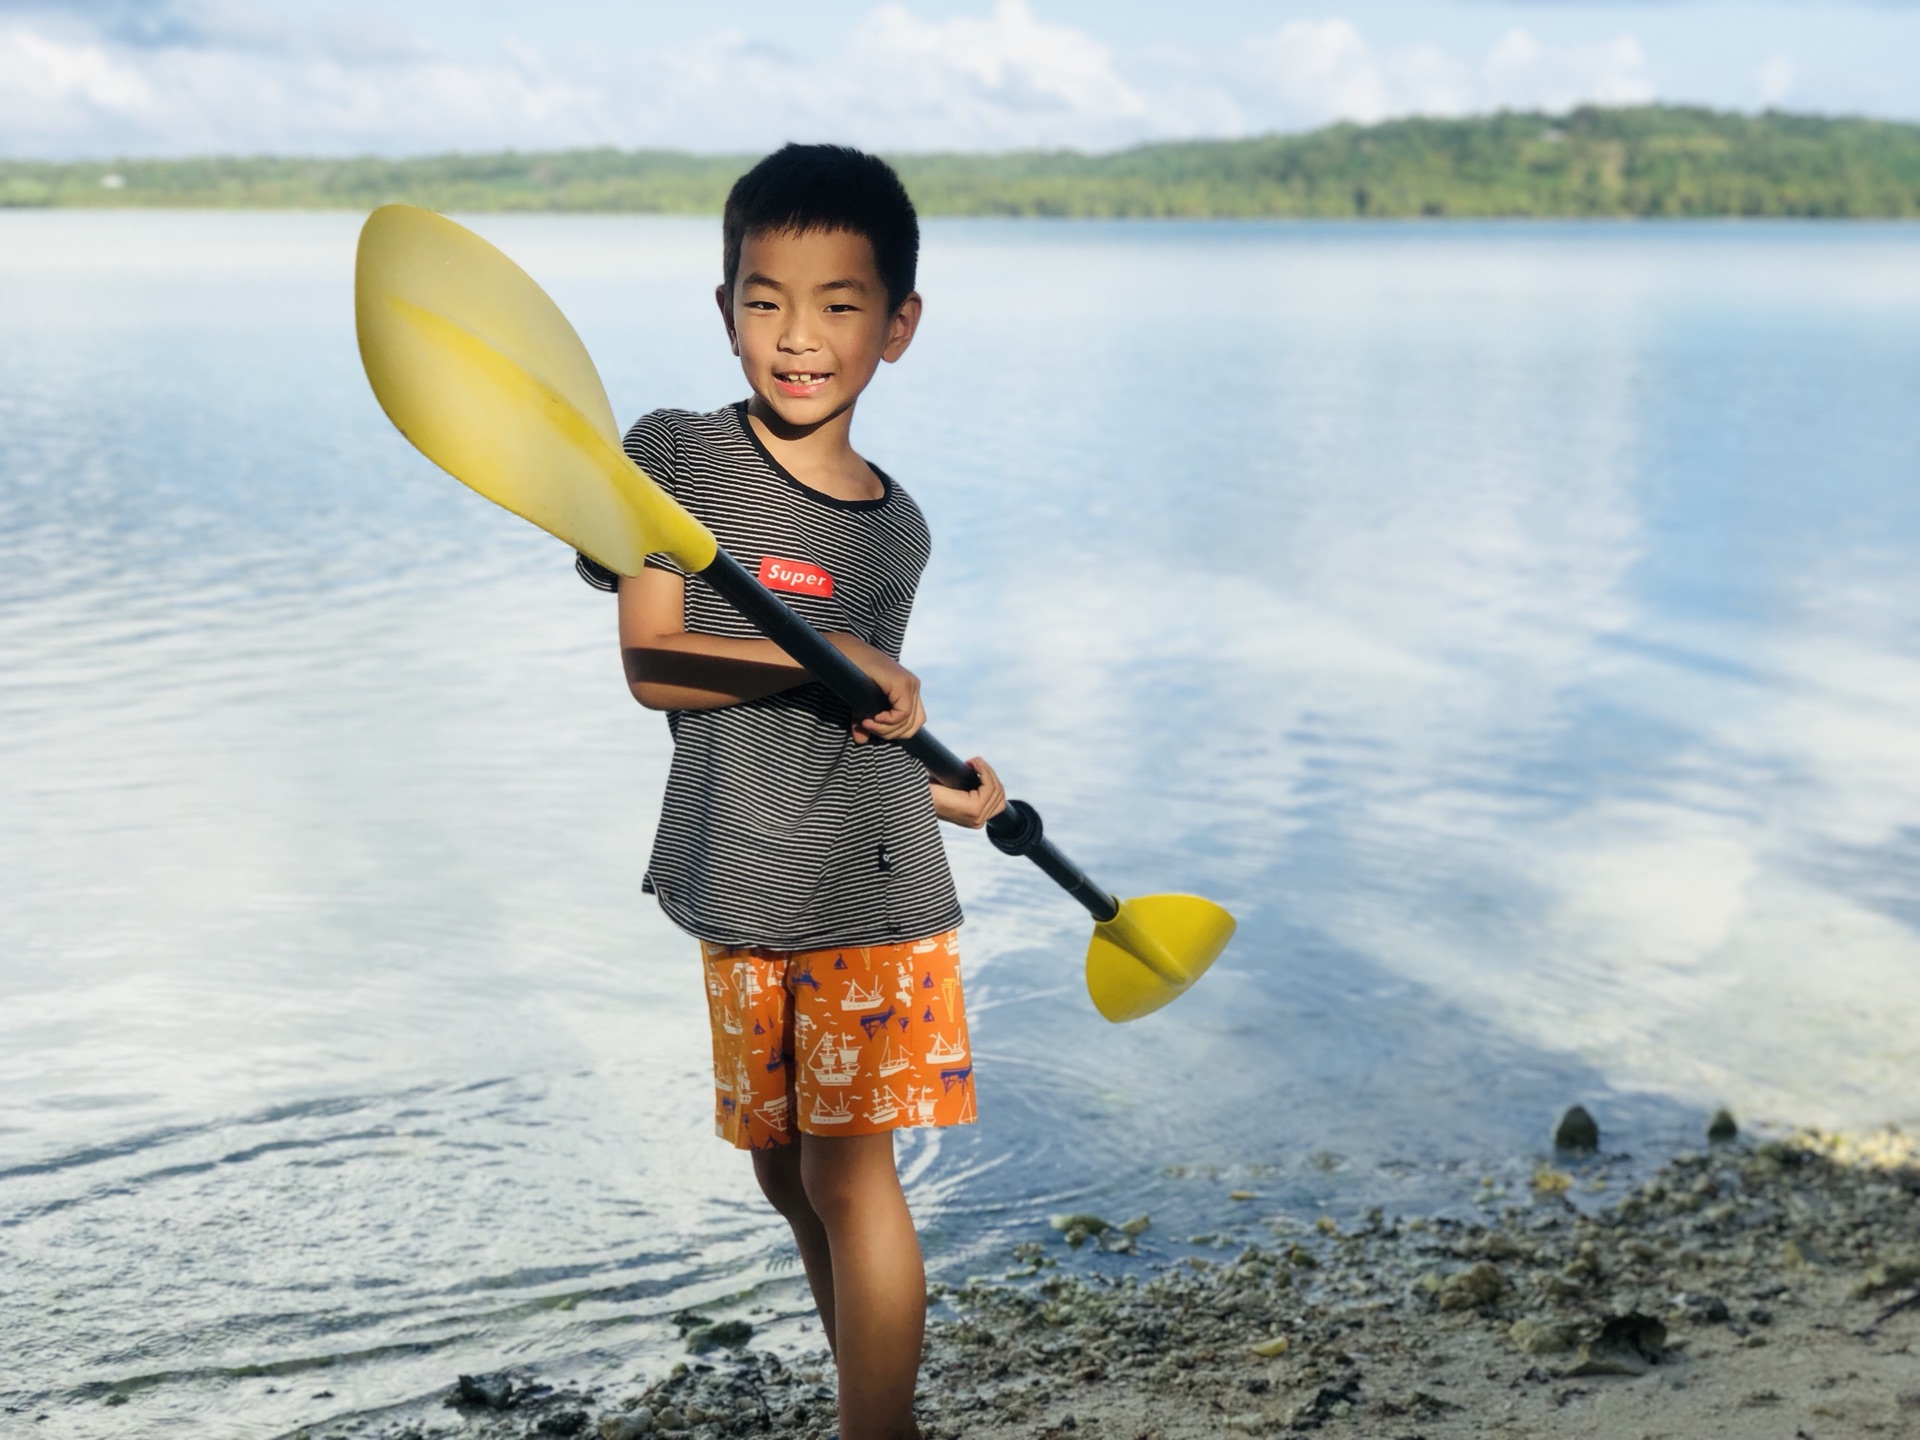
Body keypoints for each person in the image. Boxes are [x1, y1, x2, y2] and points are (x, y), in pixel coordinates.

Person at [576, 144, 1004, 1440]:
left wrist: (949, 795)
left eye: (838, 305)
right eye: (765, 301)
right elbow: (655, 662)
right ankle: (870, 1396)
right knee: (780, 1169)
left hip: (868, 888)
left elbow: (858, 728)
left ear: (898, 327)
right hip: (741, 873)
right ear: (724, 310)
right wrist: (831, 658)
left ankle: (877, 1432)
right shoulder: (673, 459)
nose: (799, 338)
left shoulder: (895, 528)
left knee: (845, 1168)